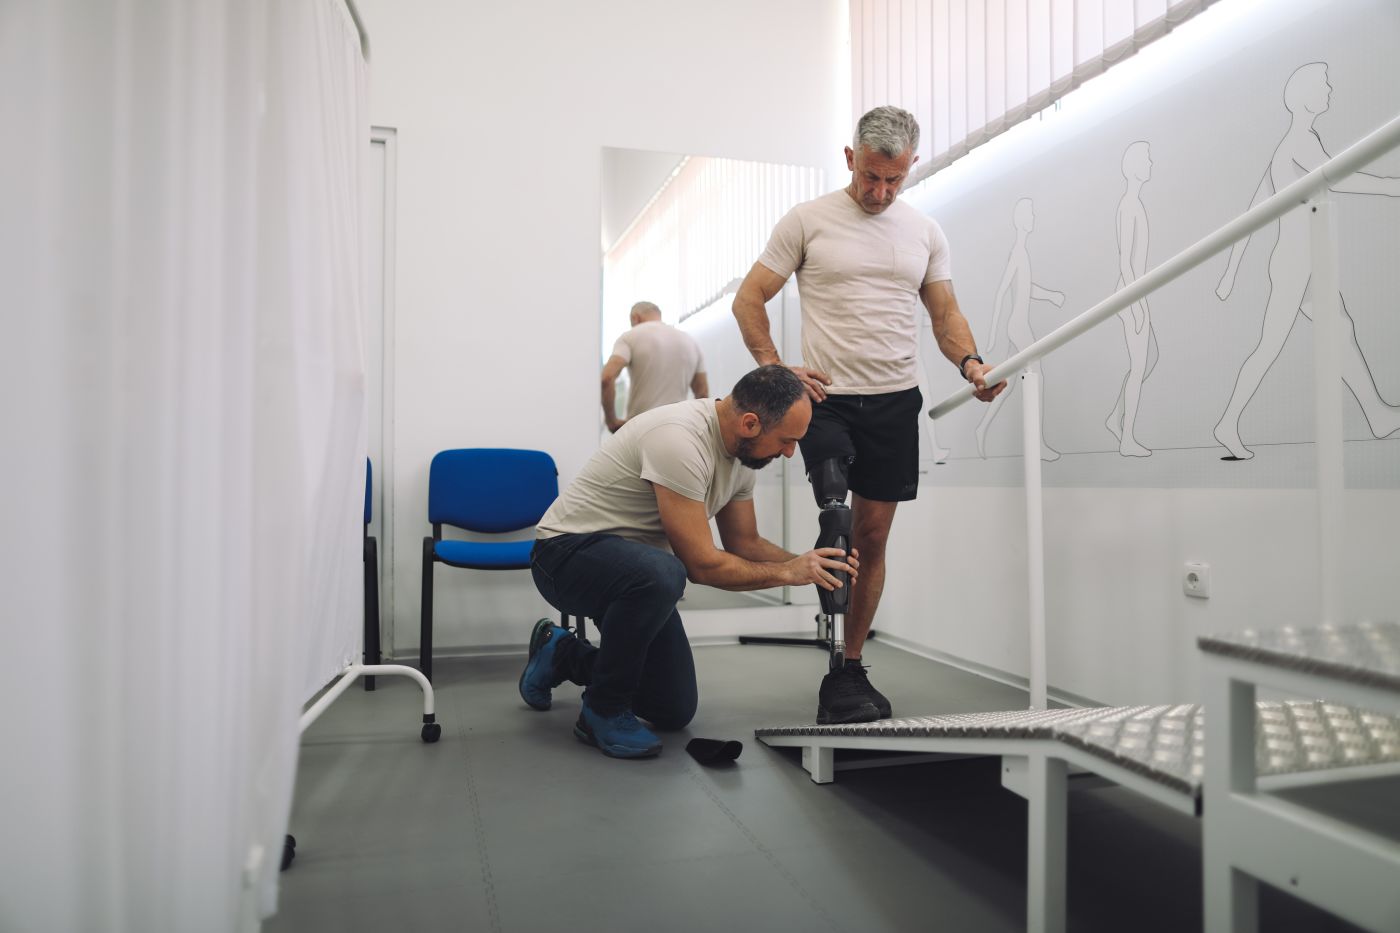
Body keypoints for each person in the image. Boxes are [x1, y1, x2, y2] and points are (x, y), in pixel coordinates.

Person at [732, 105, 1005, 725]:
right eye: (870, 178)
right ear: (851, 158)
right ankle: (833, 654)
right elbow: (750, 298)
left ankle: (849, 665)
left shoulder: (925, 232)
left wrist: (972, 365)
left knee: (873, 536)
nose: (880, 192)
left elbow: (945, 314)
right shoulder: (807, 221)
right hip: (825, 399)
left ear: (911, 167)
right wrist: (776, 369)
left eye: (894, 180)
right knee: (838, 516)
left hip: (893, 400)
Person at [521, 365, 860, 759]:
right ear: (750, 423)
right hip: (564, 555)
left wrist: (811, 564)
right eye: (786, 441)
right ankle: (601, 710)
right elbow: (701, 565)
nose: (788, 453)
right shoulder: (679, 441)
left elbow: (744, 542)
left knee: (672, 708)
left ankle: (562, 653)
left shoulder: (742, 458)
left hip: (634, 573)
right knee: (666, 572)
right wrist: (789, 572)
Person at [1214, 62, 1400, 459]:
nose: (1330, 89)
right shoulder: (1299, 143)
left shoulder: (1293, 144)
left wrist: (1231, 272)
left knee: (1342, 329)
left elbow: (1251, 213)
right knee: (1270, 346)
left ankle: (1378, 413)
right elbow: (1340, 177)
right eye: (1323, 83)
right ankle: (1227, 423)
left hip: (1304, 260)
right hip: (1294, 263)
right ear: (1303, 96)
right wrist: (1391, 187)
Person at [601, 301, 709, 433]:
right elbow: (702, 394)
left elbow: (607, 377)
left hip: (640, 429)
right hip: (678, 429)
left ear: (636, 318)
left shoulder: (630, 337)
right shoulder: (691, 342)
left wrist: (611, 421)